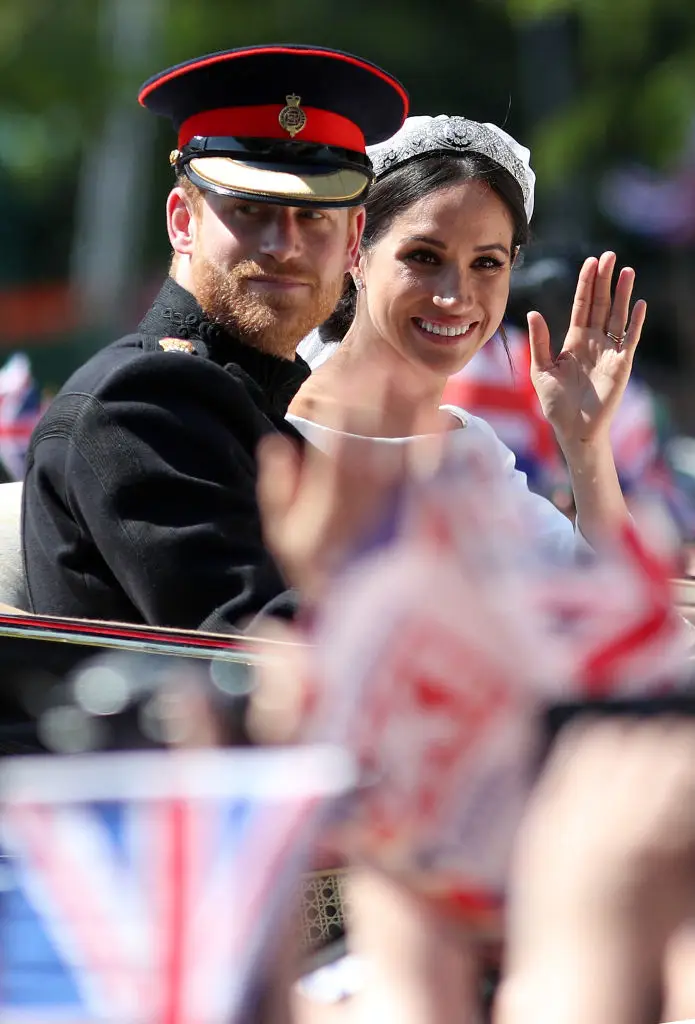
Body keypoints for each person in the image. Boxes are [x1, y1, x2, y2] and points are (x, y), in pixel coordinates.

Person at [21, 44, 408, 631]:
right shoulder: (141, 403)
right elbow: (256, 644)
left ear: (354, 239)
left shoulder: (250, 404)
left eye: (313, 217)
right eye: (251, 211)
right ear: (183, 220)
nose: (284, 245)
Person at [291, 115, 647, 562]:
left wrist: (586, 444)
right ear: (354, 250)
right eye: (423, 257)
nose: (455, 297)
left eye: (487, 263)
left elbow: (609, 602)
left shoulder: (471, 448)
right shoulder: (280, 431)